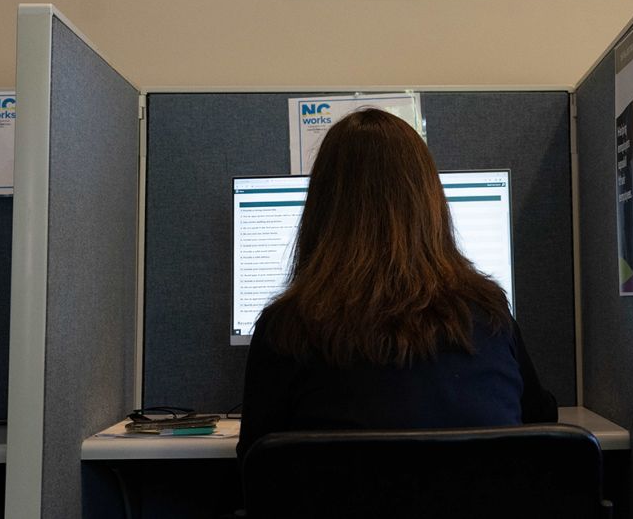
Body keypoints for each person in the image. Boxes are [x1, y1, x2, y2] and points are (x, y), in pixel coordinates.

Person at [236, 109, 557, 458]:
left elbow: (255, 464)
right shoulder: (489, 315)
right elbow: (538, 420)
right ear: (430, 204)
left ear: (322, 209)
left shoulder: (285, 328)